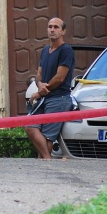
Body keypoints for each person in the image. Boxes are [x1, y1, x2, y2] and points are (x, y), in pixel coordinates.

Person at [25, 17, 75, 160]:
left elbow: (60, 77)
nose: (52, 29)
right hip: (45, 98)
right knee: (30, 126)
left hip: (59, 98)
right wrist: (40, 84)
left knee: (47, 139)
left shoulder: (66, 50)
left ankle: (45, 162)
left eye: (56, 27)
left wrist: (40, 92)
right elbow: (39, 74)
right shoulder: (45, 50)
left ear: (63, 31)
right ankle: (47, 160)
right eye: (50, 26)